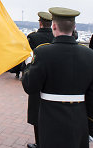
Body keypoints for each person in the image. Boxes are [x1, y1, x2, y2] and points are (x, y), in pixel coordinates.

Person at [22, 7, 93, 148]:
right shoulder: (91, 56)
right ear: (74, 27)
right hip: (79, 118)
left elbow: (30, 86)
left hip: (49, 118)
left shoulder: (43, 53)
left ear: (54, 26)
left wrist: (29, 63)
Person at [24, 11, 54, 148]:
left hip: (37, 78)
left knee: (37, 113)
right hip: (55, 79)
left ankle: (39, 143)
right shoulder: (56, 36)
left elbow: (27, 55)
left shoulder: (33, 37)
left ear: (40, 23)